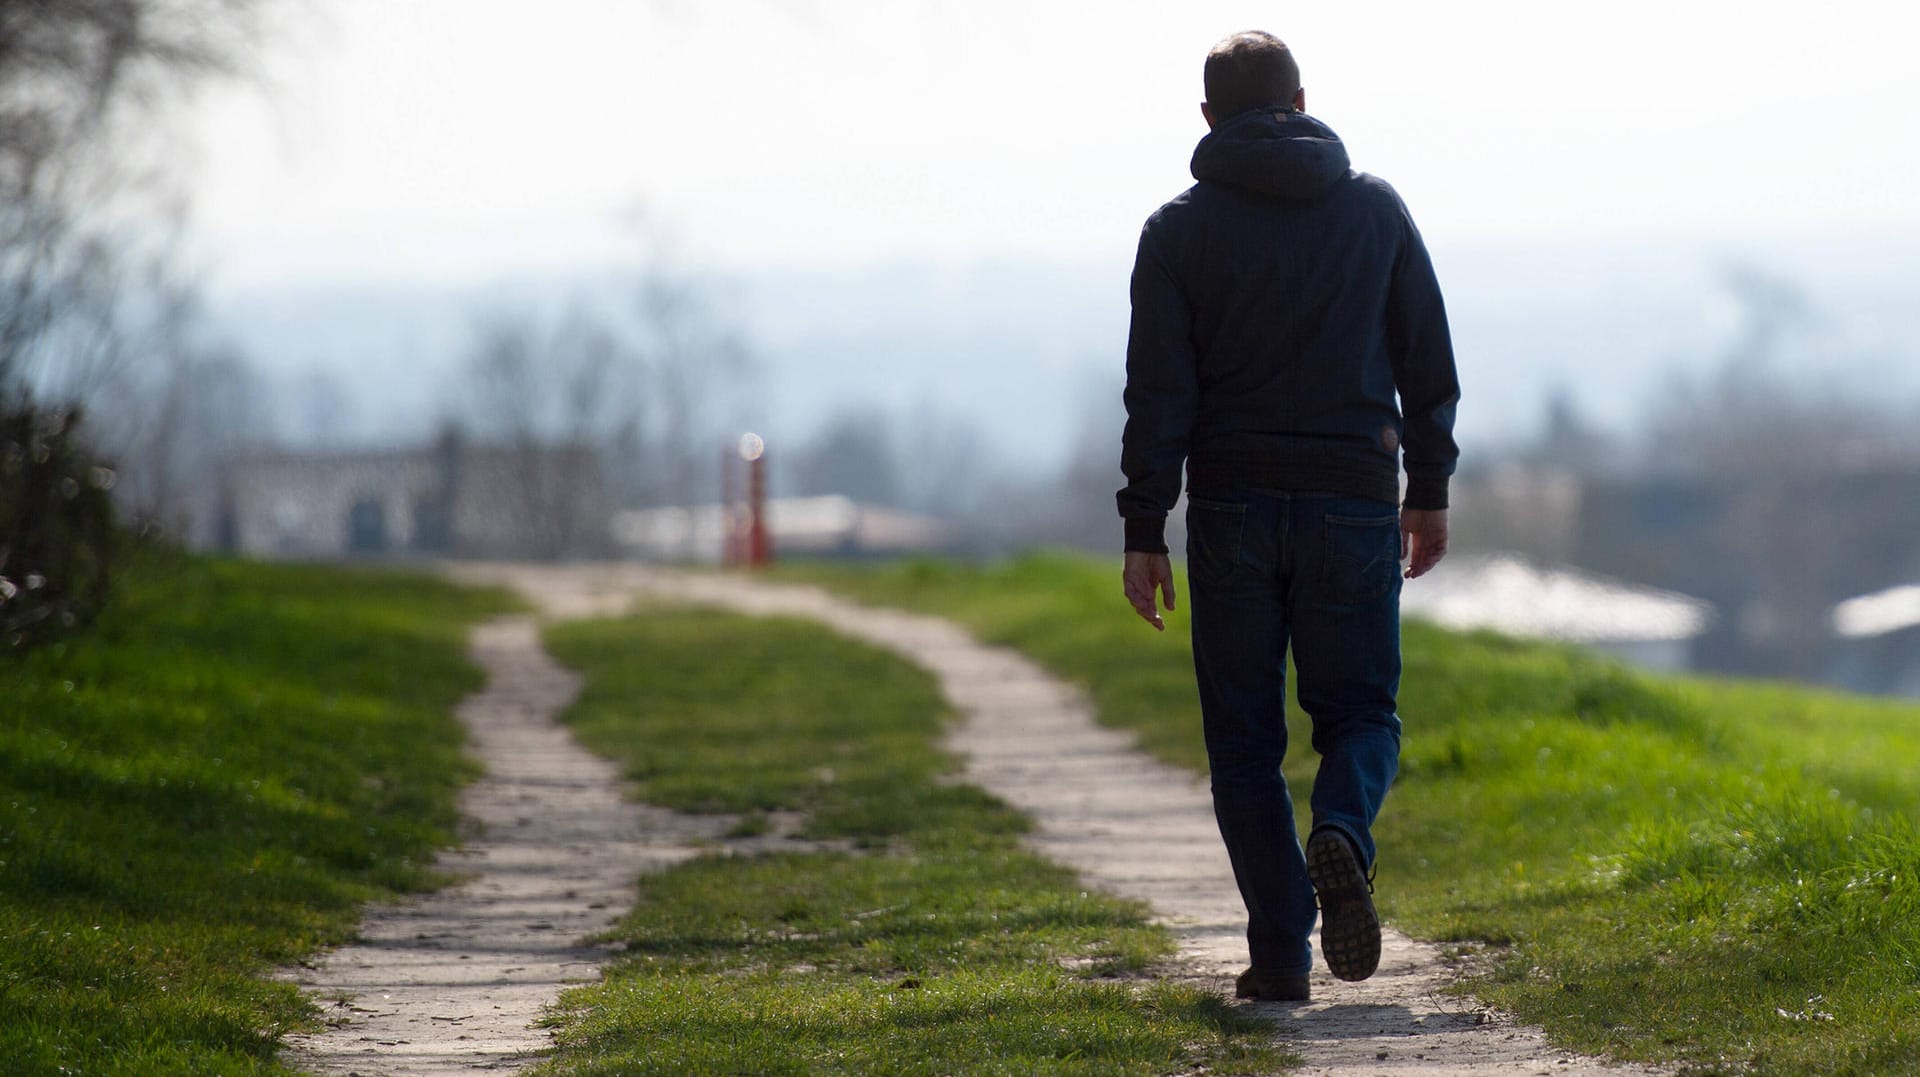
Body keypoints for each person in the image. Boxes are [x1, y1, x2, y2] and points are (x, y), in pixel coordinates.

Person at [1116, 30, 1460, 1004]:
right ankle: (1342, 833)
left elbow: (1158, 394)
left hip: (1230, 509)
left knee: (1242, 745)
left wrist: (1146, 527)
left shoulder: (1176, 232)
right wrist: (1426, 492)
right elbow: (1427, 363)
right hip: (1353, 504)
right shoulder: (1374, 211)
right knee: (1361, 715)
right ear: (1302, 101)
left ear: (1208, 119)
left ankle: (1279, 954)